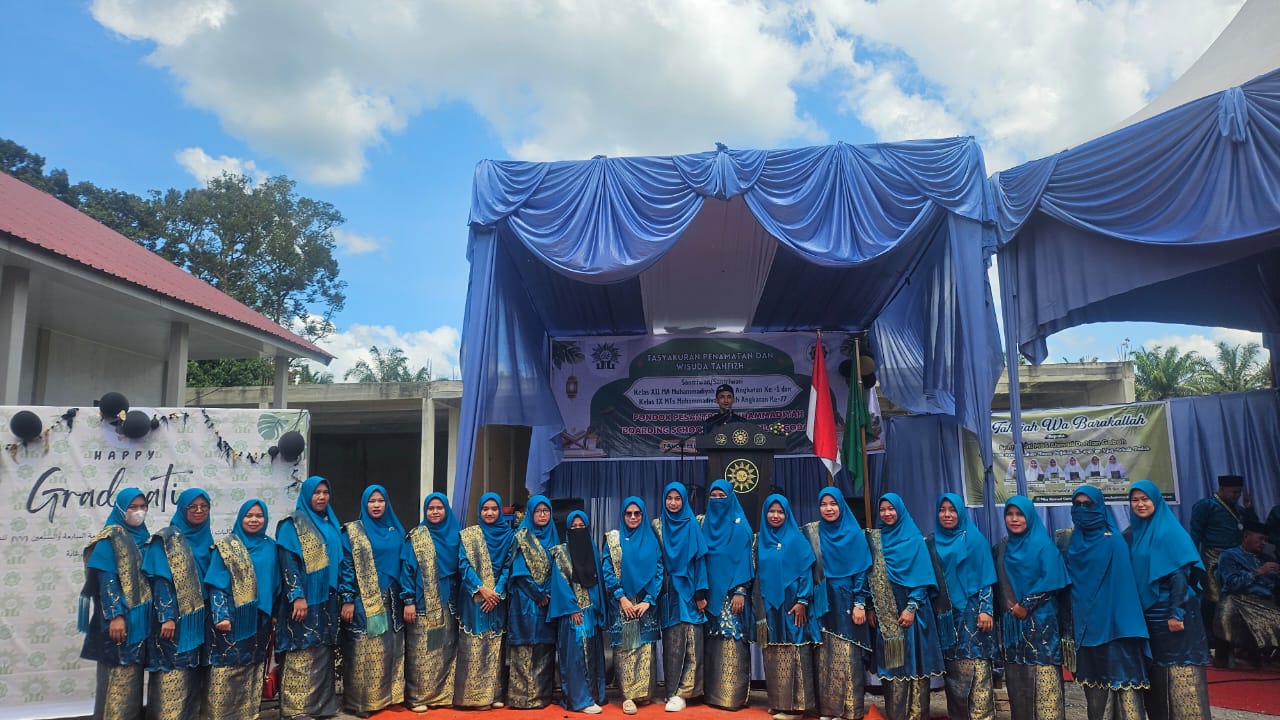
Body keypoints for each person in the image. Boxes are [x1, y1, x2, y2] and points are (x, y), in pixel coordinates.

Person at [1126, 480, 1210, 720]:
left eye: (1145, 499)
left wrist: (1176, 614)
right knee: (1158, 674)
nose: (1140, 504)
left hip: (1172, 615)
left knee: (1179, 672)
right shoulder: (1135, 533)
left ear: (1156, 501)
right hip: (1150, 616)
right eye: (1135, 500)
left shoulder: (1169, 531)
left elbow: (1179, 577)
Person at [1067, 485, 1150, 720]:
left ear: (1100, 508)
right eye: (1077, 505)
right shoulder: (1071, 544)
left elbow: (1123, 589)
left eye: (1088, 505)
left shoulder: (1114, 542)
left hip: (1116, 632)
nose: (1082, 510)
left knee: (1125, 691)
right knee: (1094, 695)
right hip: (1086, 631)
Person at [866, 493, 944, 720]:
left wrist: (911, 608)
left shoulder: (914, 540)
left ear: (900, 510)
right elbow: (869, 575)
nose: (887, 513)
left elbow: (922, 578)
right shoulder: (876, 541)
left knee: (916, 667)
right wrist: (870, 606)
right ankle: (896, 715)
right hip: (888, 616)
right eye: (883, 510)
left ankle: (917, 715)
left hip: (914, 616)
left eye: (891, 509)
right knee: (893, 668)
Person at [992, 496, 1069, 720]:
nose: (1014, 519)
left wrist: (1025, 605)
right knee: (1018, 689)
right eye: (1009, 514)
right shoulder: (1002, 548)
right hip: (1013, 630)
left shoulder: (1044, 546)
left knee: (1045, 690)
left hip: (1041, 628)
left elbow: (1052, 580)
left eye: (1020, 514)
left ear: (1030, 517)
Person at [79, 488, 152, 720]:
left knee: (131, 685)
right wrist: (115, 616)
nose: (138, 511)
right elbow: (106, 580)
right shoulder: (110, 538)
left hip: (138, 624)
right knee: (116, 683)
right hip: (117, 624)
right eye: (133, 507)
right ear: (120, 509)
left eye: (142, 506)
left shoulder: (143, 537)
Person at [142, 488, 214, 720]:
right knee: (171, 675)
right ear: (182, 509)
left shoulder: (207, 539)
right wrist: (167, 617)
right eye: (192, 506)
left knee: (193, 677)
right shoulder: (167, 540)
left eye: (204, 506)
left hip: (199, 621)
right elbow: (160, 582)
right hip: (173, 623)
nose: (199, 511)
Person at [205, 499, 279, 720]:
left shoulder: (270, 546)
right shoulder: (226, 547)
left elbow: (276, 583)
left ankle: (247, 714)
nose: (254, 520)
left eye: (259, 516)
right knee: (227, 667)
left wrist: (274, 613)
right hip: (231, 619)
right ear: (240, 518)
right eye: (249, 515)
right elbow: (217, 585)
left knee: (253, 666)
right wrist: (221, 616)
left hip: (260, 619)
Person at [276, 475, 343, 720]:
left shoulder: (330, 523)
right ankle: (296, 709)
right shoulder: (292, 524)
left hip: (326, 601)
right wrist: (297, 596)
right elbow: (288, 563)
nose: (321, 497)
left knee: (321, 651)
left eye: (325, 492)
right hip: (303, 601)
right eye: (316, 492)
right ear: (306, 495)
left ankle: (320, 707)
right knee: (300, 650)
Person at [339, 485, 406, 717]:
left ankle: (387, 699)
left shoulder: (395, 530)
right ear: (364, 504)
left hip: (393, 600)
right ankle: (361, 703)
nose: (376, 505)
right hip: (364, 600)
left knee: (390, 649)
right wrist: (347, 598)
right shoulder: (353, 532)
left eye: (380, 500)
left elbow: (405, 564)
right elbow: (347, 566)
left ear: (387, 503)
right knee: (364, 651)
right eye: (371, 501)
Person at [805, 488, 872, 720]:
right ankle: (828, 709)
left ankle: (850, 710)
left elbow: (861, 572)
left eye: (833, 504)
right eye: (823, 504)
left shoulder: (854, 534)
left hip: (847, 600)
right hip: (822, 601)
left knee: (848, 654)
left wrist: (860, 603)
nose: (828, 508)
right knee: (824, 655)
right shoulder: (813, 533)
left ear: (841, 505)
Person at [754, 494, 821, 720]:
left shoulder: (796, 539)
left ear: (787, 514)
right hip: (770, 606)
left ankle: (798, 706)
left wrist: (802, 601)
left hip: (793, 606)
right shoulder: (761, 542)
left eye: (780, 512)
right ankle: (779, 702)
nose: (775, 516)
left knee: (795, 649)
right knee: (774, 651)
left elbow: (806, 573)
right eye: (771, 511)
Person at [933, 493, 997, 720]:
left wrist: (986, 609)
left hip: (972, 615)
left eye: (952, 510)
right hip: (946, 618)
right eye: (942, 510)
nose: (947, 514)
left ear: (960, 512)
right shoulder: (932, 542)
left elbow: (986, 577)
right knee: (954, 678)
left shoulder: (975, 540)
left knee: (977, 673)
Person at [601, 497, 664, 715]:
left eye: (637, 513)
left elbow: (659, 570)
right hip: (623, 604)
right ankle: (627, 696)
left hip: (645, 605)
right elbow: (607, 570)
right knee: (626, 649)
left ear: (643, 515)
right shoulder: (613, 540)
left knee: (644, 648)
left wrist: (649, 600)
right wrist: (621, 597)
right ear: (623, 515)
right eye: (629, 513)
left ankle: (643, 694)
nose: (633, 517)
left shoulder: (652, 540)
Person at [400, 492, 461, 711]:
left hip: (449, 603)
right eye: (430, 508)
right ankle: (418, 697)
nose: (435, 512)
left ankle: (442, 696)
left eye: (439, 508)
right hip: (422, 603)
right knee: (422, 650)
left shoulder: (456, 536)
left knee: (444, 649)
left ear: (446, 510)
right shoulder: (417, 536)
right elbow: (407, 570)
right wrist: (408, 600)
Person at [1190, 474, 1259, 665]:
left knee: (1235, 599)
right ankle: (1210, 643)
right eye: (1233, 492)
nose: (1237, 496)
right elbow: (1195, 533)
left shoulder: (1239, 509)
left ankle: (1234, 645)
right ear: (1221, 489)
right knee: (1213, 600)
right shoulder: (1205, 506)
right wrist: (1192, 560)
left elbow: (1252, 528)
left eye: (1239, 493)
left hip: (1236, 558)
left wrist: (1250, 510)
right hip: (1213, 558)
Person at [455, 492, 514, 709]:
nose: (489, 513)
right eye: (485, 509)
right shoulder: (469, 535)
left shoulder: (510, 536)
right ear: (479, 511)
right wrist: (481, 589)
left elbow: (508, 566)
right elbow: (463, 564)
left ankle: (494, 694)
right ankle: (471, 696)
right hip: (474, 599)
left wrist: (497, 592)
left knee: (494, 645)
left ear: (500, 511)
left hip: (497, 599)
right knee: (474, 645)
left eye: (494, 509)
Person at [699, 480, 754, 712]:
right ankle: (712, 694)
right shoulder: (704, 526)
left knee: (732, 638)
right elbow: (700, 560)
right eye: (713, 496)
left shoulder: (740, 527)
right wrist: (700, 591)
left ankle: (732, 697)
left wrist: (741, 590)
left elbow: (745, 560)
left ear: (731, 497)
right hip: (709, 594)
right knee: (712, 641)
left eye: (722, 496)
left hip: (732, 595)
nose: (717, 500)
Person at [654, 482, 709, 713]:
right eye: (670, 498)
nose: (673, 503)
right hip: (668, 592)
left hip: (690, 589)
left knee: (692, 640)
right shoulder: (658, 526)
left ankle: (686, 692)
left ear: (684, 500)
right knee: (672, 643)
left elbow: (700, 561)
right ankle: (671, 691)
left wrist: (700, 592)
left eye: (678, 498)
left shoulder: (692, 524)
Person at [548, 510, 607, 714]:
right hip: (573, 614)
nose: (578, 530)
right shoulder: (562, 553)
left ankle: (594, 695)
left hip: (591, 613)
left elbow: (598, 582)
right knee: (575, 657)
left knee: (592, 655)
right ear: (567, 530)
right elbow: (560, 583)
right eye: (574, 527)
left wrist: (598, 608)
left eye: (582, 526)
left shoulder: (593, 550)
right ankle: (580, 700)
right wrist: (572, 608)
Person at [506, 495, 560, 709]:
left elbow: (559, 569)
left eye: (546, 511)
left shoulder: (554, 536)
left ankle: (541, 696)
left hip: (549, 602)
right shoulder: (521, 537)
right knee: (525, 646)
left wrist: (549, 593)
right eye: (538, 511)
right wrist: (539, 594)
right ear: (530, 513)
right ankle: (522, 698)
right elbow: (519, 572)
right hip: (526, 601)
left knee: (544, 648)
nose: (542, 515)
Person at [1213, 521, 1280, 663]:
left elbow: (1274, 587)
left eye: (1265, 540)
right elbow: (1232, 584)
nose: (1263, 543)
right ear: (1246, 537)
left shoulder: (1267, 559)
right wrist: (1258, 572)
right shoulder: (1229, 556)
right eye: (1260, 539)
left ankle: (1262, 653)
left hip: (1266, 603)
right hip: (1239, 599)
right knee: (1228, 608)